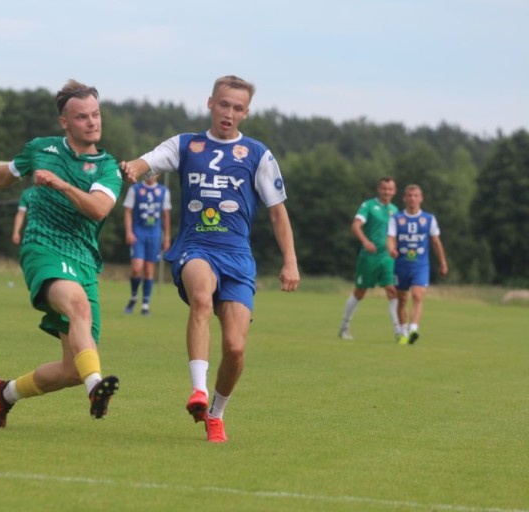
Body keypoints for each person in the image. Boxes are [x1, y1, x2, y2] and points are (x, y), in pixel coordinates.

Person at [120, 75, 299, 443]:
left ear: (246, 112)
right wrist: (135, 167)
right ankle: (198, 391)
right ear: (210, 103)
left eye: (237, 108)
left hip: (237, 257)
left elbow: (279, 213)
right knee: (201, 298)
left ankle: (215, 413)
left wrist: (290, 261)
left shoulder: (257, 155)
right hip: (196, 247)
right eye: (223, 105)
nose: (228, 113)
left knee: (235, 348)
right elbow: (148, 161)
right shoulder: (187, 145)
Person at [0, 79, 122, 426]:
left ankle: (4, 393)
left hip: (82, 258)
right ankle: (96, 387)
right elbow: (5, 175)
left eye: (96, 114)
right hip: (43, 247)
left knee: (72, 369)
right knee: (78, 308)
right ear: (64, 123)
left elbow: (97, 209)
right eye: (82, 117)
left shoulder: (108, 167)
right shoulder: (41, 149)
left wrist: (61, 184)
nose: (92, 122)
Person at [338, 177, 402, 342]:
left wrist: (394, 248)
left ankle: (398, 331)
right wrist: (365, 241)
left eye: (390, 189)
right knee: (360, 292)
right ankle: (344, 327)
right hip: (369, 258)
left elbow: (393, 234)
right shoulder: (368, 206)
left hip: (387, 258)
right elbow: (356, 225)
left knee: (392, 291)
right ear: (379, 189)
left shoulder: (395, 210)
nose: (387, 192)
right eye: (384, 189)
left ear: (394, 191)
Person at [387, 184, 448, 345]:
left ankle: (414, 329)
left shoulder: (429, 219)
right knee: (402, 300)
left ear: (421, 198)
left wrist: (443, 262)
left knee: (417, 295)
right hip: (401, 265)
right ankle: (402, 332)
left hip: (421, 265)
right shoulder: (396, 218)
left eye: (416, 196)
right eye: (410, 196)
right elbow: (390, 238)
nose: (413, 199)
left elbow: (436, 241)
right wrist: (391, 249)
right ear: (404, 198)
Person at [122, 174, 171, 315]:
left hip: (154, 234)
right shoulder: (135, 189)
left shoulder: (163, 191)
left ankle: (145, 304)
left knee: (149, 270)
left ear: (158, 174)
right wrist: (129, 232)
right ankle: (133, 296)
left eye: (154, 172)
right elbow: (127, 211)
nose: (151, 175)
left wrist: (166, 237)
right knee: (137, 268)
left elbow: (166, 215)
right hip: (138, 233)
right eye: (148, 172)